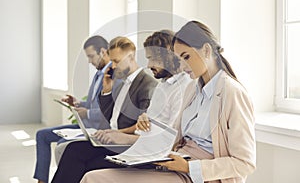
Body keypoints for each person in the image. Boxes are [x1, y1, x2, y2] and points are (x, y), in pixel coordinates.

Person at [80, 21, 256, 183]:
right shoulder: (192, 90)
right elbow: (173, 135)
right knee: (92, 177)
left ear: (207, 51)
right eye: (180, 59)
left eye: (186, 57)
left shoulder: (232, 93)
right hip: (172, 162)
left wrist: (188, 167)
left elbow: (244, 163)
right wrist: (147, 143)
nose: (183, 66)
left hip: (198, 175)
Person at [51, 36, 158, 183]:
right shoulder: (120, 83)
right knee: (72, 150)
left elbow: (144, 125)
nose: (112, 66)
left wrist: (117, 134)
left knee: (88, 165)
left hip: (126, 145)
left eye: (116, 61)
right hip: (111, 141)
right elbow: (108, 116)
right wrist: (107, 90)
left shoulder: (147, 84)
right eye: (112, 61)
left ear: (131, 57)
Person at [33, 35, 112, 183]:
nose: (89, 61)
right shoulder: (98, 75)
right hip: (86, 125)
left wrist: (87, 113)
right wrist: (78, 103)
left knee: (64, 144)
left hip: (97, 128)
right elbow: (92, 104)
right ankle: (41, 181)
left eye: (91, 56)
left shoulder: (112, 75)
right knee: (42, 135)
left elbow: (110, 111)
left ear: (102, 51)